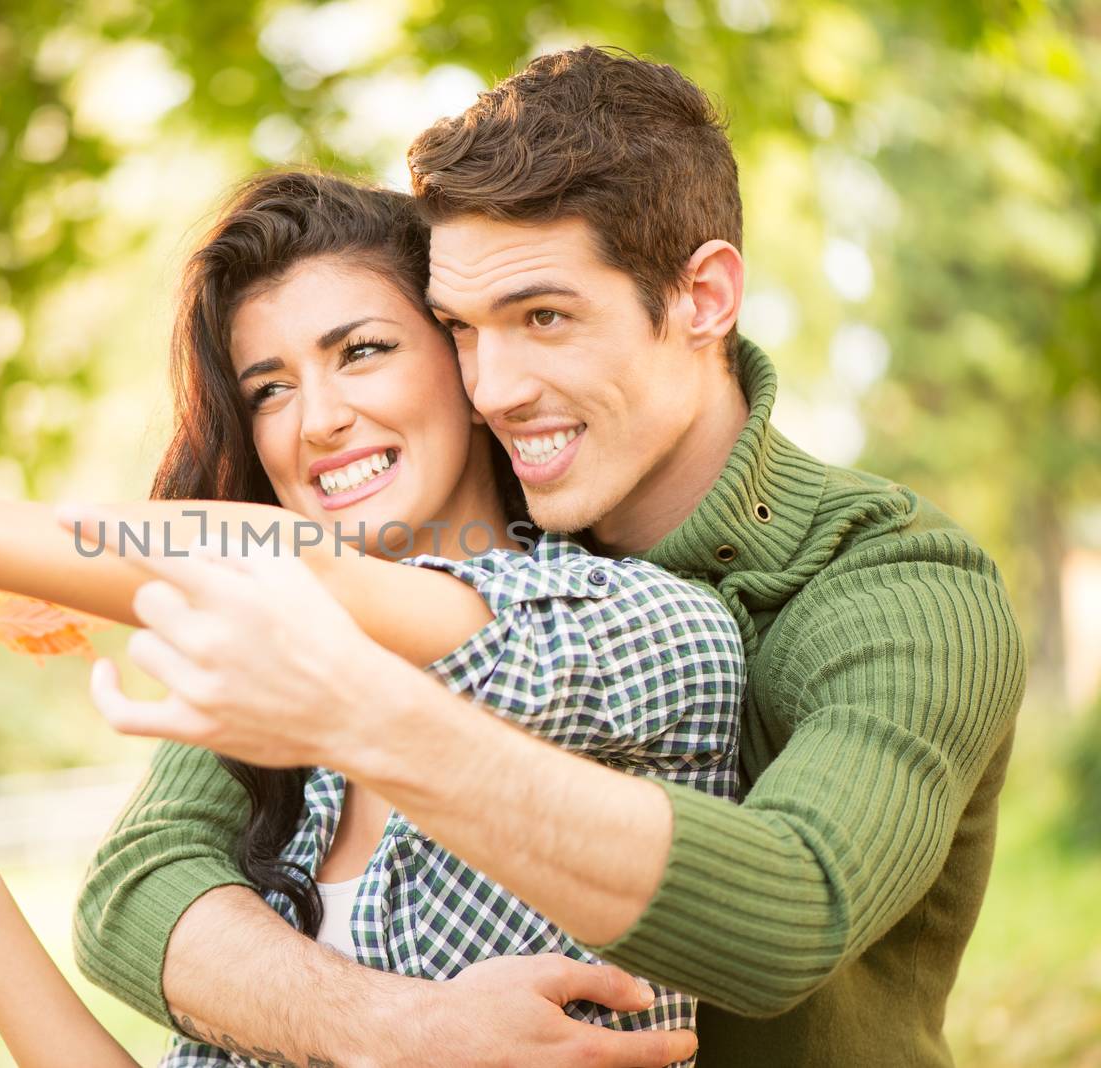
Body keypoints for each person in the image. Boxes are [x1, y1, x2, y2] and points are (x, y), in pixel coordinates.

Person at [0, 170, 723, 1067]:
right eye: (269, 387)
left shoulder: (637, 632)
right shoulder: (294, 762)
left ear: (464, 361)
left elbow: (288, 567)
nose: (317, 420)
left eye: (362, 351)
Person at [73, 47, 1027, 1068]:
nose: (492, 389)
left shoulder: (894, 583)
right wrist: (391, 1030)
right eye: (461, 332)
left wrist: (364, 713)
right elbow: (139, 878)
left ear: (702, 298)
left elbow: (791, 911)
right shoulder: (470, 549)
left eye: (544, 318)